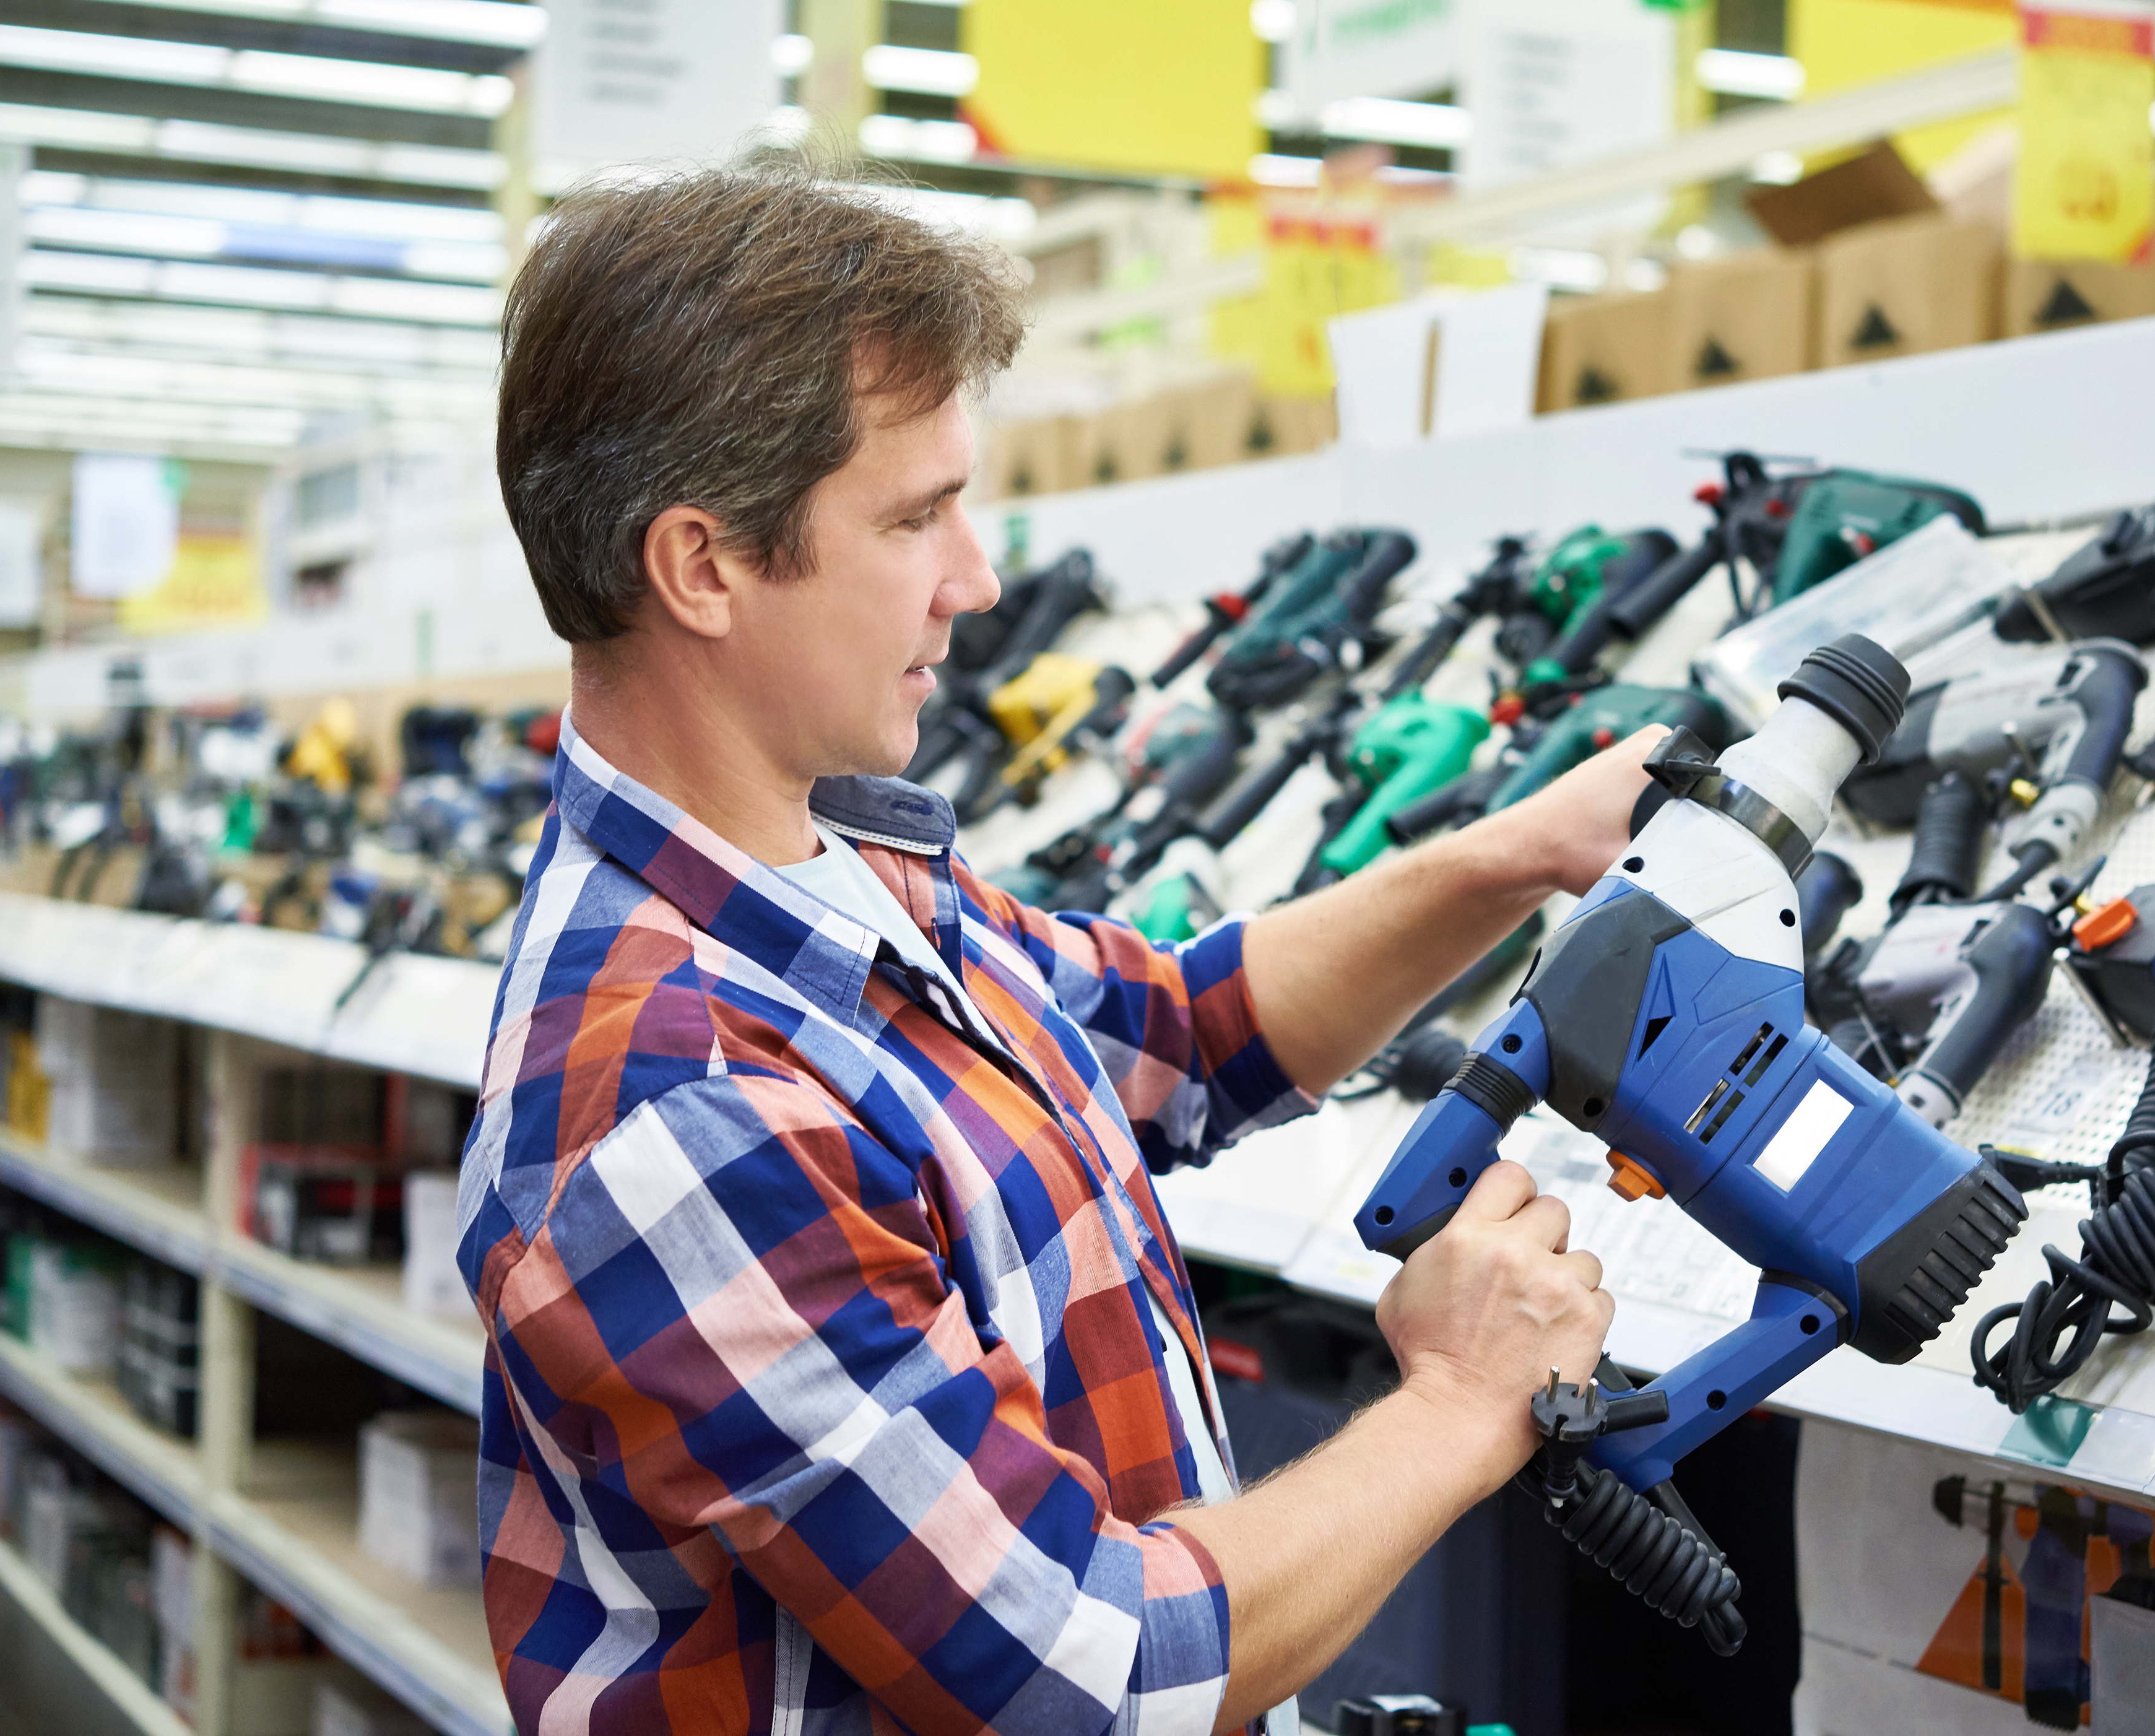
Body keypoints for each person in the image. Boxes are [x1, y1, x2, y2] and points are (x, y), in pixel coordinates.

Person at [461, 157, 1663, 1736]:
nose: (983, 579)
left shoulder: (840, 872)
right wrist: (1462, 1395)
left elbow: (1181, 1029)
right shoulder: (677, 1104)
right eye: (917, 517)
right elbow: (1090, 1674)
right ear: (704, 566)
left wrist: (1516, 858)